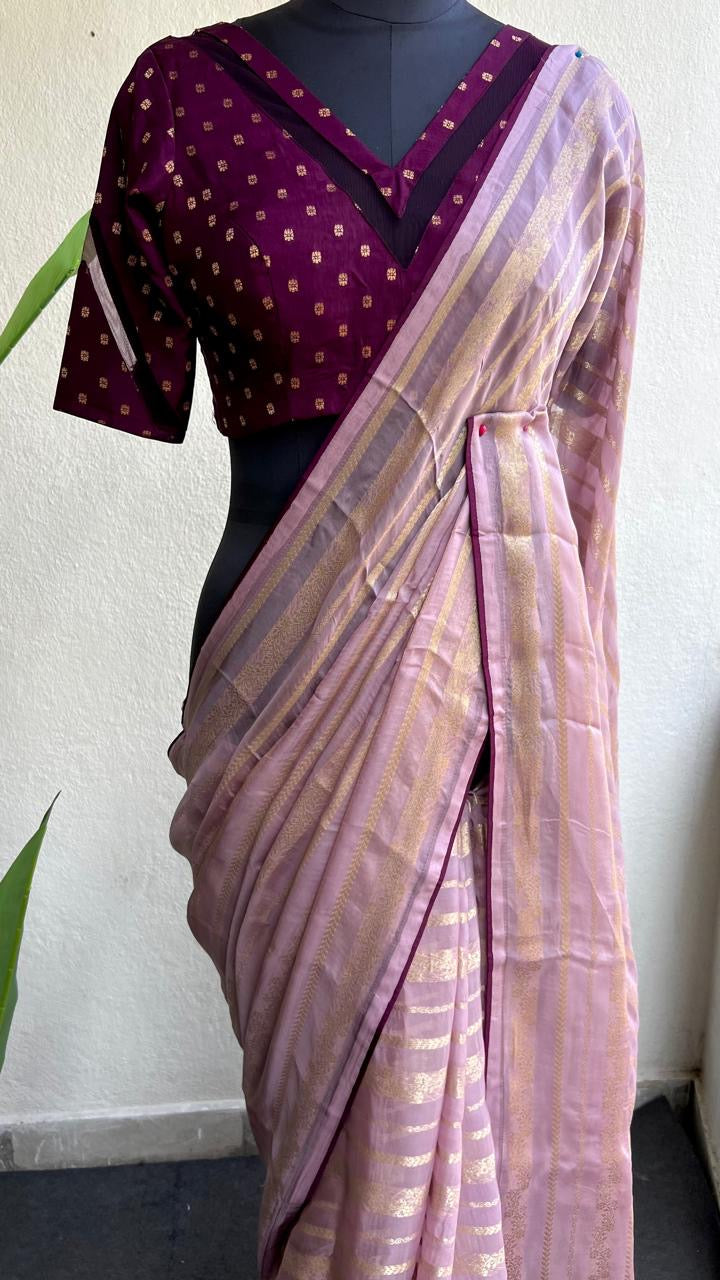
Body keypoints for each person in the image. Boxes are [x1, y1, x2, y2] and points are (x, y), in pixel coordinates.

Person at [53, 4, 646, 1275]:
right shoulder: (174, 101)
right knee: (321, 1102)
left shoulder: (581, 118)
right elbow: (136, 383)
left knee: (471, 1080)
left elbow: (588, 442)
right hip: (280, 694)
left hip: (502, 696)